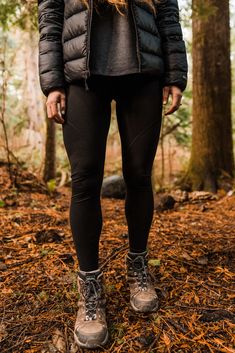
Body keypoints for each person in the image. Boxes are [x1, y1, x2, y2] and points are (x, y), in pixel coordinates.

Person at [37, 0, 188, 348]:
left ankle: (138, 267)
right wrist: (52, 82)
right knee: (85, 178)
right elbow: (50, 17)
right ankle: (89, 289)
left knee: (138, 175)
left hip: (144, 72)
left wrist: (175, 74)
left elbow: (167, 12)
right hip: (81, 74)